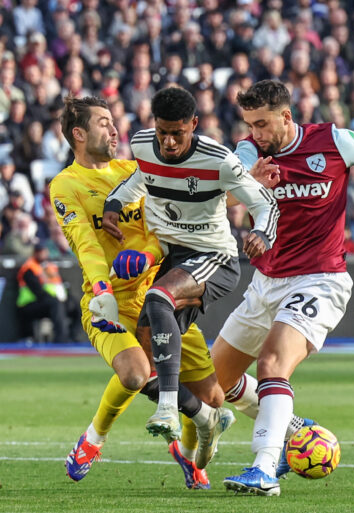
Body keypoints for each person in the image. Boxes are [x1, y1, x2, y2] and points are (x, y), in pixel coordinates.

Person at [217, 80, 354, 496]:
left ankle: (264, 468)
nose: (255, 133)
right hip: (265, 282)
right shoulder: (249, 153)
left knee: (272, 362)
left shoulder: (333, 141)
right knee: (213, 384)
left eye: (262, 124)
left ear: (287, 117)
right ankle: (292, 427)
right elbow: (220, 200)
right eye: (250, 124)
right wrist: (248, 182)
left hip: (320, 278)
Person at [101, 86, 280, 469]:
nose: (167, 141)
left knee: (158, 298)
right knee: (143, 365)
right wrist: (114, 203)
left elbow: (264, 202)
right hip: (172, 258)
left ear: (194, 125)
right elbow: (140, 178)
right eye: (162, 131)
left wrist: (262, 233)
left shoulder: (220, 160)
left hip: (214, 256)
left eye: (177, 133)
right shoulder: (144, 145)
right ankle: (204, 417)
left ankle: (168, 409)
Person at [52, 96, 221, 488]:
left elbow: (160, 231)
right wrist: (101, 289)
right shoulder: (65, 185)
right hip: (107, 301)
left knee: (213, 398)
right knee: (134, 373)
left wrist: (143, 257)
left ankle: (189, 455)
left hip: (159, 298)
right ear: (79, 134)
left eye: (114, 122)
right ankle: (93, 439)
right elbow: (85, 243)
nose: (115, 130)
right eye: (104, 123)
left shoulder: (135, 171)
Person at [15, 243, 81, 343]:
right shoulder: (29, 268)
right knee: (56, 304)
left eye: (43, 251)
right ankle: (61, 339)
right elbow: (38, 291)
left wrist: (65, 298)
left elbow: (60, 283)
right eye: (39, 252)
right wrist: (56, 300)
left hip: (51, 301)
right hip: (30, 304)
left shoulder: (50, 267)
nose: (42, 254)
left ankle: (72, 336)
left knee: (75, 304)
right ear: (35, 253)